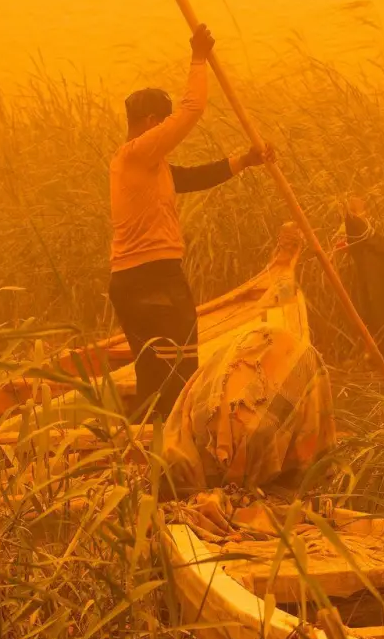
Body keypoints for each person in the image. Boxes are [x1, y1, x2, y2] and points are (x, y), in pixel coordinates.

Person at [108, 23, 276, 421]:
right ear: (151, 123)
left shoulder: (149, 168)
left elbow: (192, 177)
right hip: (151, 282)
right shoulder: (135, 154)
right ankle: (164, 451)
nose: (168, 132)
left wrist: (244, 161)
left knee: (162, 376)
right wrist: (198, 56)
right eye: (164, 124)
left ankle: (152, 450)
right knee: (175, 378)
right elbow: (193, 110)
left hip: (142, 280)